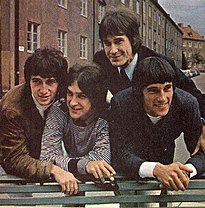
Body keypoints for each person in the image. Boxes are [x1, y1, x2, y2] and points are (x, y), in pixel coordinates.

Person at [93, 9, 205, 152]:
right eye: (107, 43)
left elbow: (194, 96)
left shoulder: (161, 63)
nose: (113, 50)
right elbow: (95, 100)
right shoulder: (101, 60)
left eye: (119, 41)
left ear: (133, 40)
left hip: (159, 143)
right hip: (126, 144)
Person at [110, 56, 205, 191]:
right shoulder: (122, 103)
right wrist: (156, 169)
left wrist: (185, 172)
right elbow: (120, 152)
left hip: (167, 168)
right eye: (153, 90)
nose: (162, 98)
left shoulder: (187, 104)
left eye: (167, 88)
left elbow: (201, 151)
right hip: (131, 172)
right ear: (138, 91)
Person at [0, 48, 79, 195]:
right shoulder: (12, 109)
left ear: (60, 83)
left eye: (50, 82)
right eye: (37, 82)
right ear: (28, 80)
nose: (44, 90)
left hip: (50, 152)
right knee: (22, 197)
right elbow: (14, 158)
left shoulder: (66, 95)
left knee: (74, 183)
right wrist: (52, 170)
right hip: (11, 157)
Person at [40, 63, 116, 183]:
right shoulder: (60, 109)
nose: (73, 103)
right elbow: (47, 157)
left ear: (95, 98)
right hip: (71, 173)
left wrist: (66, 165)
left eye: (81, 96)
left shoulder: (106, 113)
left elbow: (103, 159)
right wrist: (84, 165)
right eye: (70, 94)